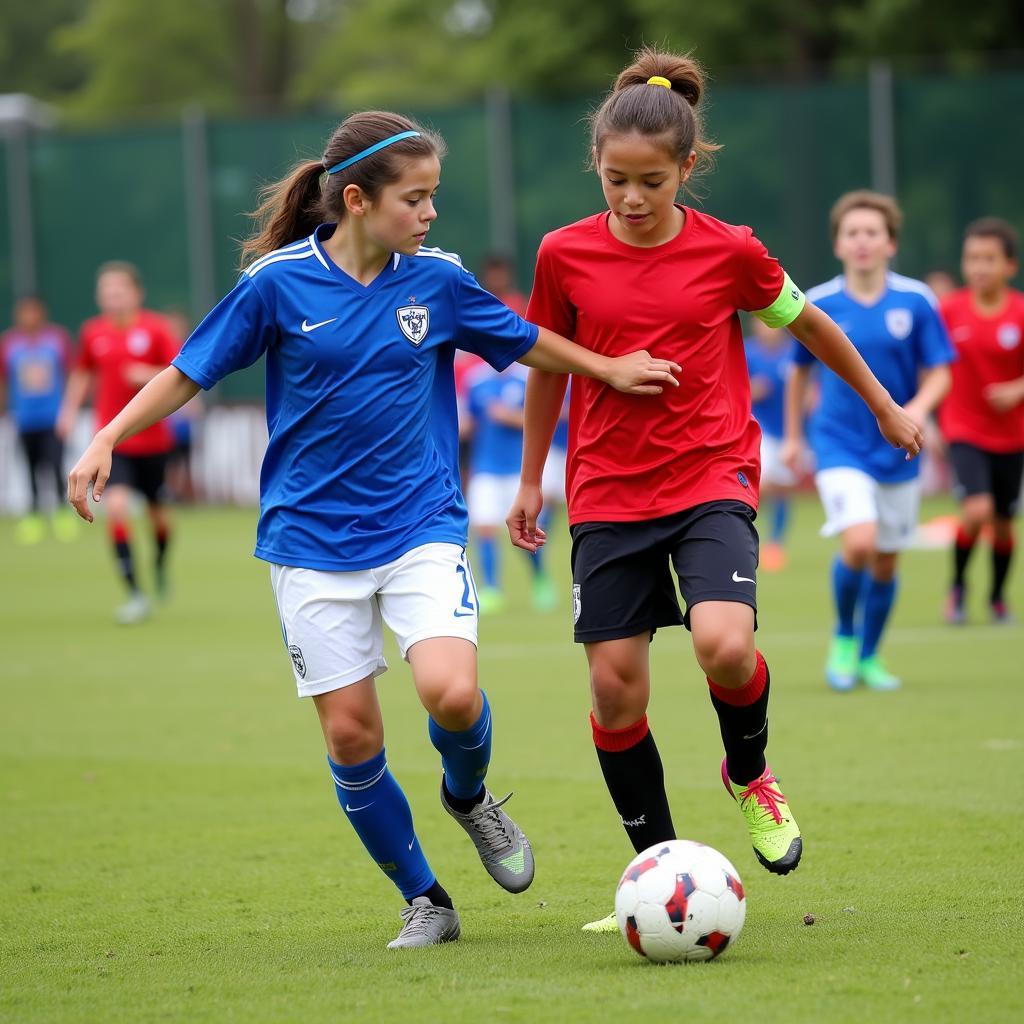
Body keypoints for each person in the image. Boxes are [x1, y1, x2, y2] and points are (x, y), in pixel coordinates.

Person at [67, 111, 680, 951]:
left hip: (420, 524)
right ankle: (426, 898)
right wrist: (105, 437)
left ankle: (469, 798)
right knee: (353, 733)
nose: (430, 215)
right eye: (415, 199)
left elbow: (525, 338)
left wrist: (608, 368)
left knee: (452, 694)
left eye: (434, 197)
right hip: (308, 544)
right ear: (357, 200)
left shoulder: (438, 281)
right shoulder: (277, 284)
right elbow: (188, 372)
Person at [505, 51, 923, 934]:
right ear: (597, 167)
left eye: (650, 182)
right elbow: (545, 365)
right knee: (617, 694)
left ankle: (748, 771)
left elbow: (812, 323)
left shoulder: (730, 250)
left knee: (725, 647)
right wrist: (533, 478)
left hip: (709, 475)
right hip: (608, 492)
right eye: (615, 180)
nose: (630, 198)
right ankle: (652, 871)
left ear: (686, 169)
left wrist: (885, 406)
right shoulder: (563, 254)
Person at [785, 191, 954, 691]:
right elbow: (798, 373)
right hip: (839, 443)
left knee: (886, 556)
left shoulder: (917, 300)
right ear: (838, 243)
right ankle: (842, 639)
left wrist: (916, 413)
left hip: (900, 448)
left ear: (890, 243)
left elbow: (940, 370)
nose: (862, 241)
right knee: (859, 541)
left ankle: (870, 656)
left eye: (872, 232)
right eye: (852, 232)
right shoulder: (818, 302)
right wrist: (794, 437)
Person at [58, 263, 179, 624]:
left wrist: (146, 373)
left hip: (154, 441)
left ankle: (158, 564)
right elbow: (82, 372)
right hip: (114, 443)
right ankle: (135, 594)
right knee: (118, 507)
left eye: (119, 290)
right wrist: (67, 410)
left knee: (159, 520)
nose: (112, 297)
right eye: (106, 291)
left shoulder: (155, 328)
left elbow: (181, 370)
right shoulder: (93, 333)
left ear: (136, 293)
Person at [939, 218, 1024, 624]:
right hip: (963, 429)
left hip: (1011, 436)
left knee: (1005, 526)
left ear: (1010, 266)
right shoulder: (948, 310)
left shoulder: (1020, 313)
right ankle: (957, 587)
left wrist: (1016, 390)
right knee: (976, 511)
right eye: (973, 258)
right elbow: (929, 362)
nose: (980, 267)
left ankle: (996, 597)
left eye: (990, 259)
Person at [466, 363, 557, 612]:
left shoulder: (526, 378)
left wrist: (509, 416)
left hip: (519, 471)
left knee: (525, 532)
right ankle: (492, 588)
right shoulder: (476, 381)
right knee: (484, 528)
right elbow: (470, 424)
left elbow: (544, 419)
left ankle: (540, 579)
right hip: (485, 469)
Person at [0, 296, 77, 543]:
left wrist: (69, 409)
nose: (29, 317)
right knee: (30, 468)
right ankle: (33, 515)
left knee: (55, 466)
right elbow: (4, 380)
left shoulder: (57, 340)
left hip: (53, 418)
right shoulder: (9, 343)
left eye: (33, 312)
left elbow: (72, 374)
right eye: (24, 313)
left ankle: (62, 513)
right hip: (24, 419)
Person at [744, 316, 797, 570]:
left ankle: (775, 543)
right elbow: (730, 387)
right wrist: (752, 390)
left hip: (789, 433)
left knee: (783, 489)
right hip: (757, 429)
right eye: (760, 323)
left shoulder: (791, 352)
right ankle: (744, 536)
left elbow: (808, 384)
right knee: (762, 484)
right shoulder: (747, 352)